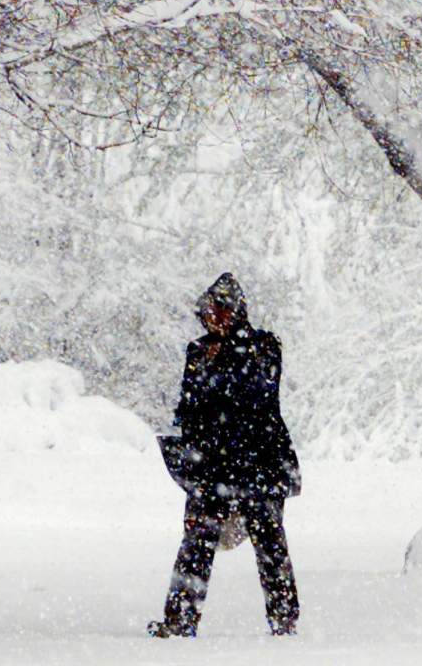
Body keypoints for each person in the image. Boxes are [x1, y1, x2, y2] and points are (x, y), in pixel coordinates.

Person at [148, 273, 301, 639]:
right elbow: (189, 408)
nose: (213, 319)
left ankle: (284, 620)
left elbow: (256, 395)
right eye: (208, 312)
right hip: (212, 466)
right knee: (196, 544)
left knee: (270, 543)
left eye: (220, 310)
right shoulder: (198, 351)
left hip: (259, 462)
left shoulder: (264, 345)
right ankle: (180, 619)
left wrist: (221, 363)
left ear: (236, 311)